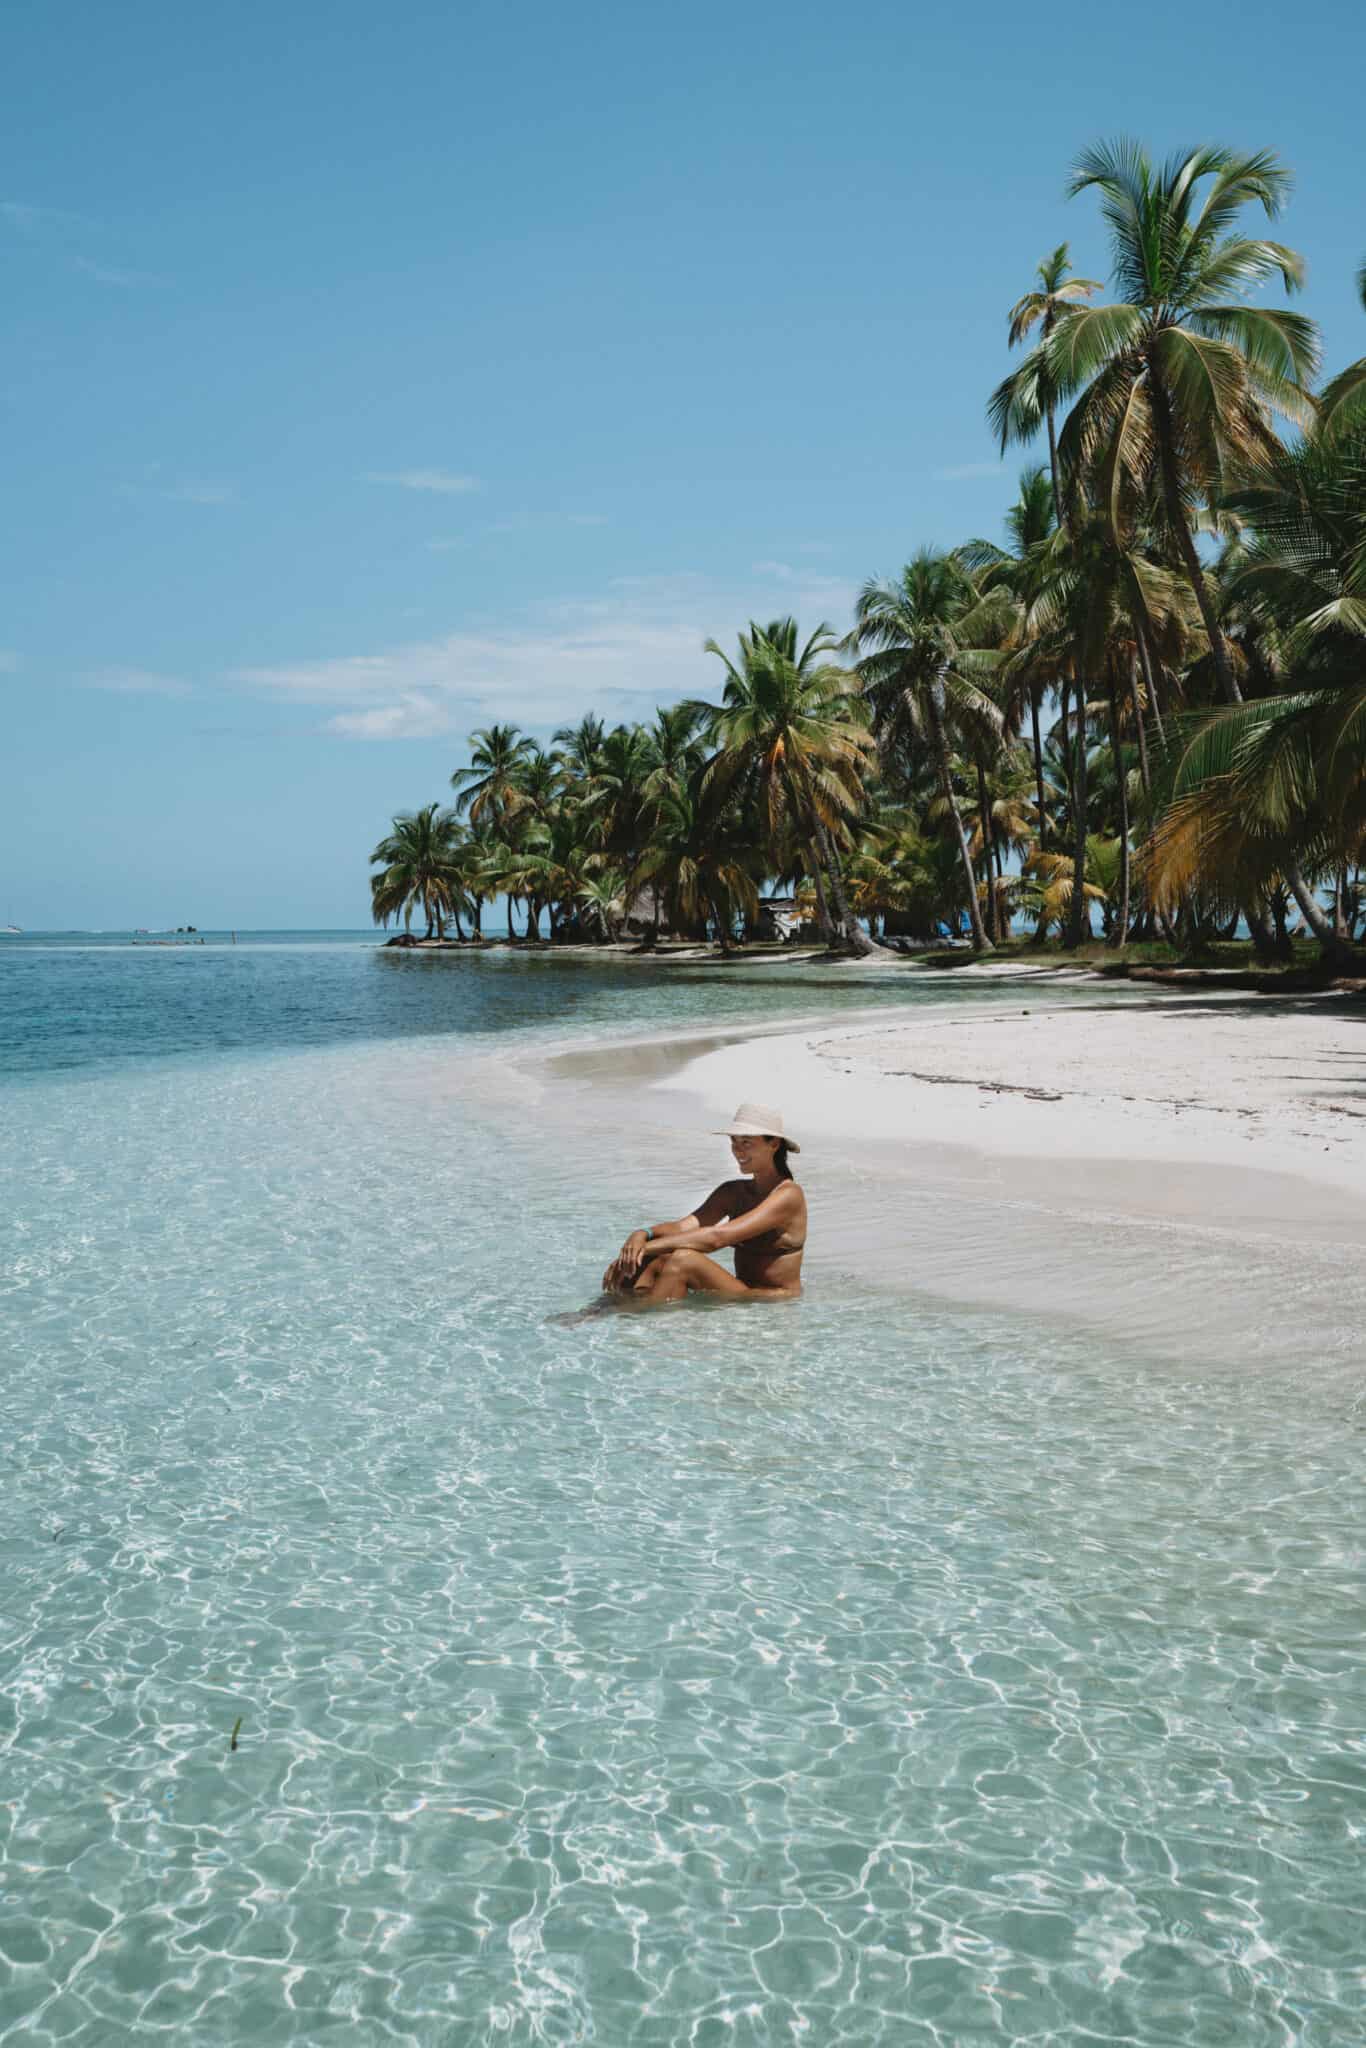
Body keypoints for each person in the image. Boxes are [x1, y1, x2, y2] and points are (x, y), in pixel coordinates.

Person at [603, 1102, 806, 1303]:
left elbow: (716, 1238)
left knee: (683, 1260)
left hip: (773, 1300)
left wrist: (643, 1248)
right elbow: (682, 1227)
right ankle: (604, 1313)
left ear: (774, 1144)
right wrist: (642, 1235)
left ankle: (635, 1321)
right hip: (742, 1289)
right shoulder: (733, 1191)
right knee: (649, 1259)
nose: (737, 1150)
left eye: (746, 1142)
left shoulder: (788, 1195)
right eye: (734, 1141)